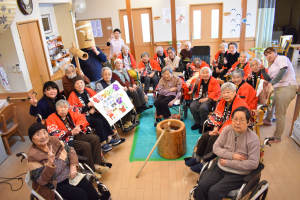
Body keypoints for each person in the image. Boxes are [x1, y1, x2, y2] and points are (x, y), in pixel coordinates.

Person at [195, 107, 260, 200]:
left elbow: (253, 163)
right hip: (221, 167)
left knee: (214, 191)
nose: (237, 123)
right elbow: (216, 148)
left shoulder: (253, 139)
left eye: (242, 120)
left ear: (248, 122)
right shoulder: (226, 130)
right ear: (231, 120)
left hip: (238, 173)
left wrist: (229, 162)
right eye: (235, 119)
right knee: (201, 185)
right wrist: (232, 156)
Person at [185, 82, 249, 173]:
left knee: (213, 139)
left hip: (235, 131)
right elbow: (217, 116)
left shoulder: (240, 104)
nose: (225, 95)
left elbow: (235, 122)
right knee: (206, 136)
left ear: (235, 92)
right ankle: (197, 158)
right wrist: (215, 128)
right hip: (221, 129)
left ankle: (205, 163)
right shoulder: (222, 101)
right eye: (223, 92)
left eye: (228, 92)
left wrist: (221, 131)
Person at [27, 123, 100, 200]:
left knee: (89, 188)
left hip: (70, 175)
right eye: (38, 135)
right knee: (80, 194)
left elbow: (70, 150)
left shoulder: (53, 140)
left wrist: (73, 166)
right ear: (32, 139)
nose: (43, 136)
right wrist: (49, 164)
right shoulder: (33, 156)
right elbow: (42, 181)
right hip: (56, 184)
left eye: (44, 132)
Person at [46, 100, 108, 177]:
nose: (63, 109)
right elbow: (54, 133)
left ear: (68, 108)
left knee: (95, 138)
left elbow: (81, 117)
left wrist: (78, 126)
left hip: (77, 135)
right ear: (56, 108)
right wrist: (71, 133)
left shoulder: (70, 113)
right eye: (60, 107)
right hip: (65, 141)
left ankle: (96, 165)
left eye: (65, 107)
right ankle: (90, 171)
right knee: (85, 145)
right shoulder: (51, 118)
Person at [68, 76, 121, 152]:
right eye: (77, 83)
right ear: (74, 86)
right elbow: (73, 111)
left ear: (84, 83)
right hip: (84, 117)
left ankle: (109, 138)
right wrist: (87, 107)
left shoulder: (88, 90)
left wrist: (94, 108)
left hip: (94, 112)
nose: (80, 85)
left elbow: (98, 99)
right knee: (98, 122)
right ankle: (103, 143)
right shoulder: (72, 96)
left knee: (104, 117)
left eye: (81, 82)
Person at [260, 47, 297, 142]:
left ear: (276, 52)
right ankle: (268, 120)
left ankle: (277, 137)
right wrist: (263, 70)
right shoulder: (272, 66)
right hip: (277, 87)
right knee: (270, 104)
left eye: (270, 53)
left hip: (286, 86)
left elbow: (283, 70)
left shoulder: (281, 58)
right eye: (266, 55)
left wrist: (273, 82)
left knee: (280, 113)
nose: (268, 56)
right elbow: (269, 79)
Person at [189, 67, 221, 132]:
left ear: (210, 74)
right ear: (201, 74)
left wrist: (206, 98)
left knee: (202, 108)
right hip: (199, 98)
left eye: (207, 73)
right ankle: (197, 122)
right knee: (192, 106)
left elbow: (217, 92)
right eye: (203, 73)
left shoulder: (214, 80)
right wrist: (196, 84)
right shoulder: (198, 80)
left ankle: (202, 124)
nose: (205, 74)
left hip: (209, 99)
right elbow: (192, 90)